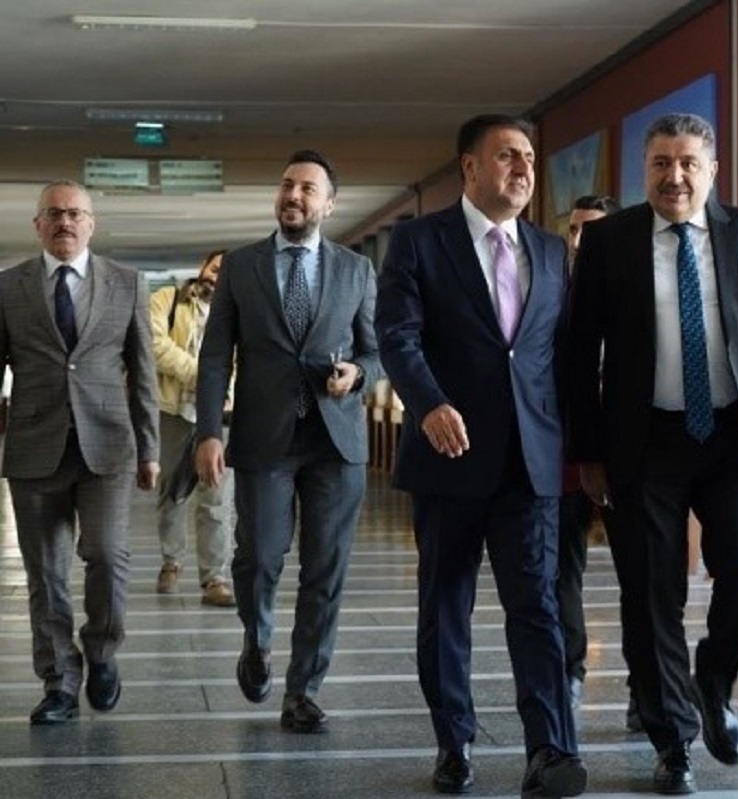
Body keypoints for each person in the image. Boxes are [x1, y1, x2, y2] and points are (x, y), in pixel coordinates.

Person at [566, 113, 738, 794]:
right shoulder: (610, 240)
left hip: (729, 435)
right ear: (643, 169)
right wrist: (588, 451)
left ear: (712, 170)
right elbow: (578, 351)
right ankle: (672, 739)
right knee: (651, 593)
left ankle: (712, 678)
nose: (674, 176)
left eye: (687, 163)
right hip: (642, 441)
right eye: (660, 163)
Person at [375, 114, 587, 798]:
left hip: (531, 461)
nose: (522, 168)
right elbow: (397, 337)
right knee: (447, 605)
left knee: (538, 607)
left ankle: (550, 749)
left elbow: (558, 356)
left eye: (528, 156)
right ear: (469, 167)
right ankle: (454, 739)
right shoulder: (418, 242)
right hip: (449, 454)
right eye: (506, 156)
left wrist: (581, 446)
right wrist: (429, 403)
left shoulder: (550, 250)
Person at [195, 149, 381, 734]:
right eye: (286, 185)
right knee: (258, 559)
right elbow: (214, 357)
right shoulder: (241, 266)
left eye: (307, 189)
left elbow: (376, 351)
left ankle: (303, 689)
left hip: (335, 441)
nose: (293, 196)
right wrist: (208, 432)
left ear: (329, 205)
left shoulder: (356, 270)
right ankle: (258, 638)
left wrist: (358, 374)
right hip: (264, 438)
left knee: (326, 568)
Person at [0, 180, 160, 724]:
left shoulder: (127, 283)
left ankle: (103, 651)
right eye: (54, 213)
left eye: (75, 213)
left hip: (108, 447)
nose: (64, 222)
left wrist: (150, 449)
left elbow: (144, 373)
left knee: (108, 556)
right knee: (45, 573)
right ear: (37, 225)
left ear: (91, 223)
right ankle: (60, 683)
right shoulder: (10, 286)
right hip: (33, 449)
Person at [558, 194, 645, 730]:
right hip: (565, 456)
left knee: (641, 577)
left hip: (629, 455)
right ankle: (569, 673)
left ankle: (645, 687)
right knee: (561, 574)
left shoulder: (640, 290)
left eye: (591, 231)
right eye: (573, 230)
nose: (579, 241)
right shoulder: (551, 290)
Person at [150, 249, 236, 607]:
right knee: (172, 490)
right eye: (214, 268)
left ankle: (214, 578)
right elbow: (154, 343)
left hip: (221, 414)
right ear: (203, 267)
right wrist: (203, 375)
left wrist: (221, 389)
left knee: (216, 496)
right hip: (173, 411)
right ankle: (171, 561)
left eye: (226, 273)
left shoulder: (241, 312)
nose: (217, 277)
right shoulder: (167, 299)